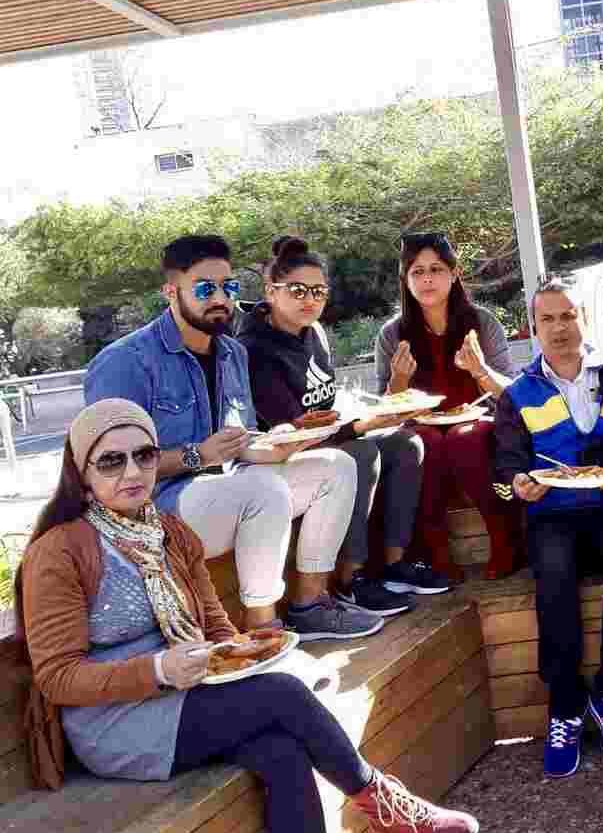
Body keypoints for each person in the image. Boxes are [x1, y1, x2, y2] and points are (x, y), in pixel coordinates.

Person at [17, 400, 479, 833]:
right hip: (118, 721)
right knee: (281, 695)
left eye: (144, 456)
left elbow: (214, 627)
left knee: (281, 750)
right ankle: (383, 804)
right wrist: (156, 670)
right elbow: (57, 678)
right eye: (111, 462)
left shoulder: (168, 531)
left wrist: (241, 651)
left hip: (187, 691)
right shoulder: (60, 551)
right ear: (81, 472)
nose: (133, 472)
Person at [85, 235, 378, 642]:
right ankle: (263, 631)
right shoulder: (125, 361)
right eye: (205, 288)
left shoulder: (232, 354)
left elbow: (240, 442)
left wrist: (280, 443)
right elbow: (106, 472)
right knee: (262, 489)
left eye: (229, 287)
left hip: (227, 490)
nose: (221, 298)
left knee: (337, 466)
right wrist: (195, 456)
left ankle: (310, 605)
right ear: (171, 291)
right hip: (157, 509)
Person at [493, 278, 603, 779]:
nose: (559, 327)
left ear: (584, 320)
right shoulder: (517, 395)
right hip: (554, 515)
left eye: (568, 315)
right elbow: (505, 470)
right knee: (551, 570)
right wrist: (520, 484)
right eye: (547, 319)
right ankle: (565, 703)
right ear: (533, 328)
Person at [241, 236, 451, 617]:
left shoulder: (314, 333)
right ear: (271, 292)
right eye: (298, 290)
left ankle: (394, 565)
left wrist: (377, 413)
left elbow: (324, 407)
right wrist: (363, 424)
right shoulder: (256, 350)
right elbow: (296, 430)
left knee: (406, 443)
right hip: (280, 453)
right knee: (361, 451)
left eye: (319, 292)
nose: (310, 300)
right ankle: (351, 579)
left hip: (325, 437)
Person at [375, 231, 521, 581]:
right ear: (406, 280)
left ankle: (504, 536)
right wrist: (398, 380)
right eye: (417, 271)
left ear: (454, 274)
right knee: (425, 441)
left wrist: (481, 371)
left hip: (479, 422)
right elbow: (384, 410)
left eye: (436, 269)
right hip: (421, 426)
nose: (427, 279)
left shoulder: (482, 322)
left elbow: (513, 396)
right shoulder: (392, 334)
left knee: (464, 437)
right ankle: (435, 547)